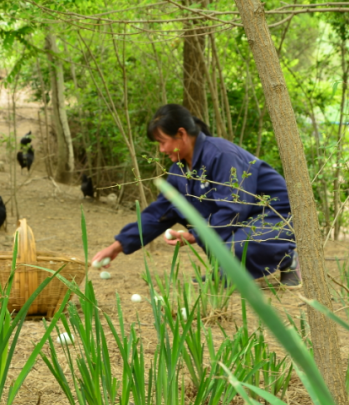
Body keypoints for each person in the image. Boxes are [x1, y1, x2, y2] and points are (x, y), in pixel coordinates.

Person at [91, 104, 300, 287]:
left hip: (274, 217)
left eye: (163, 141)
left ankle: (287, 256)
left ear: (181, 134)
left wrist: (195, 235)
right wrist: (117, 246)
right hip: (243, 223)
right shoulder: (179, 171)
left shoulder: (222, 154)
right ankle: (236, 270)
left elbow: (235, 209)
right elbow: (159, 213)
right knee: (183, 211)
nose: (162, 149)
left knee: (237, 246)